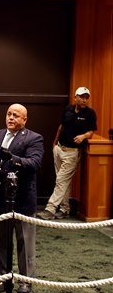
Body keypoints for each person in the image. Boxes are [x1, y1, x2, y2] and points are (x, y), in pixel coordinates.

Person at [0, 104, 44, 293]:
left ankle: (26, 281)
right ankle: (2, 278)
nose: (11, 118)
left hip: (23, 199)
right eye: (9, 114)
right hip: (0, 199)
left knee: (24, 242)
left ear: (24, 120)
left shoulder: (34, 138)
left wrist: (13, 159)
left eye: (16, 115)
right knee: (1, 242)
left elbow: (34, 163)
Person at [37, 86, 97, 220]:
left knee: (61, 181)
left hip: (72, 153)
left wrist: (83, 136)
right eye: (81, 97)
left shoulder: (90, 114)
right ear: (75, 97)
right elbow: (61, 126)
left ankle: (50, 209)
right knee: (63, 182)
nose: (84, 100)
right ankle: (65, 209)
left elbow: (91, 132)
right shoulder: (68, 109)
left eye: (87, 97)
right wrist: (55, 142)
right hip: (59, 149)